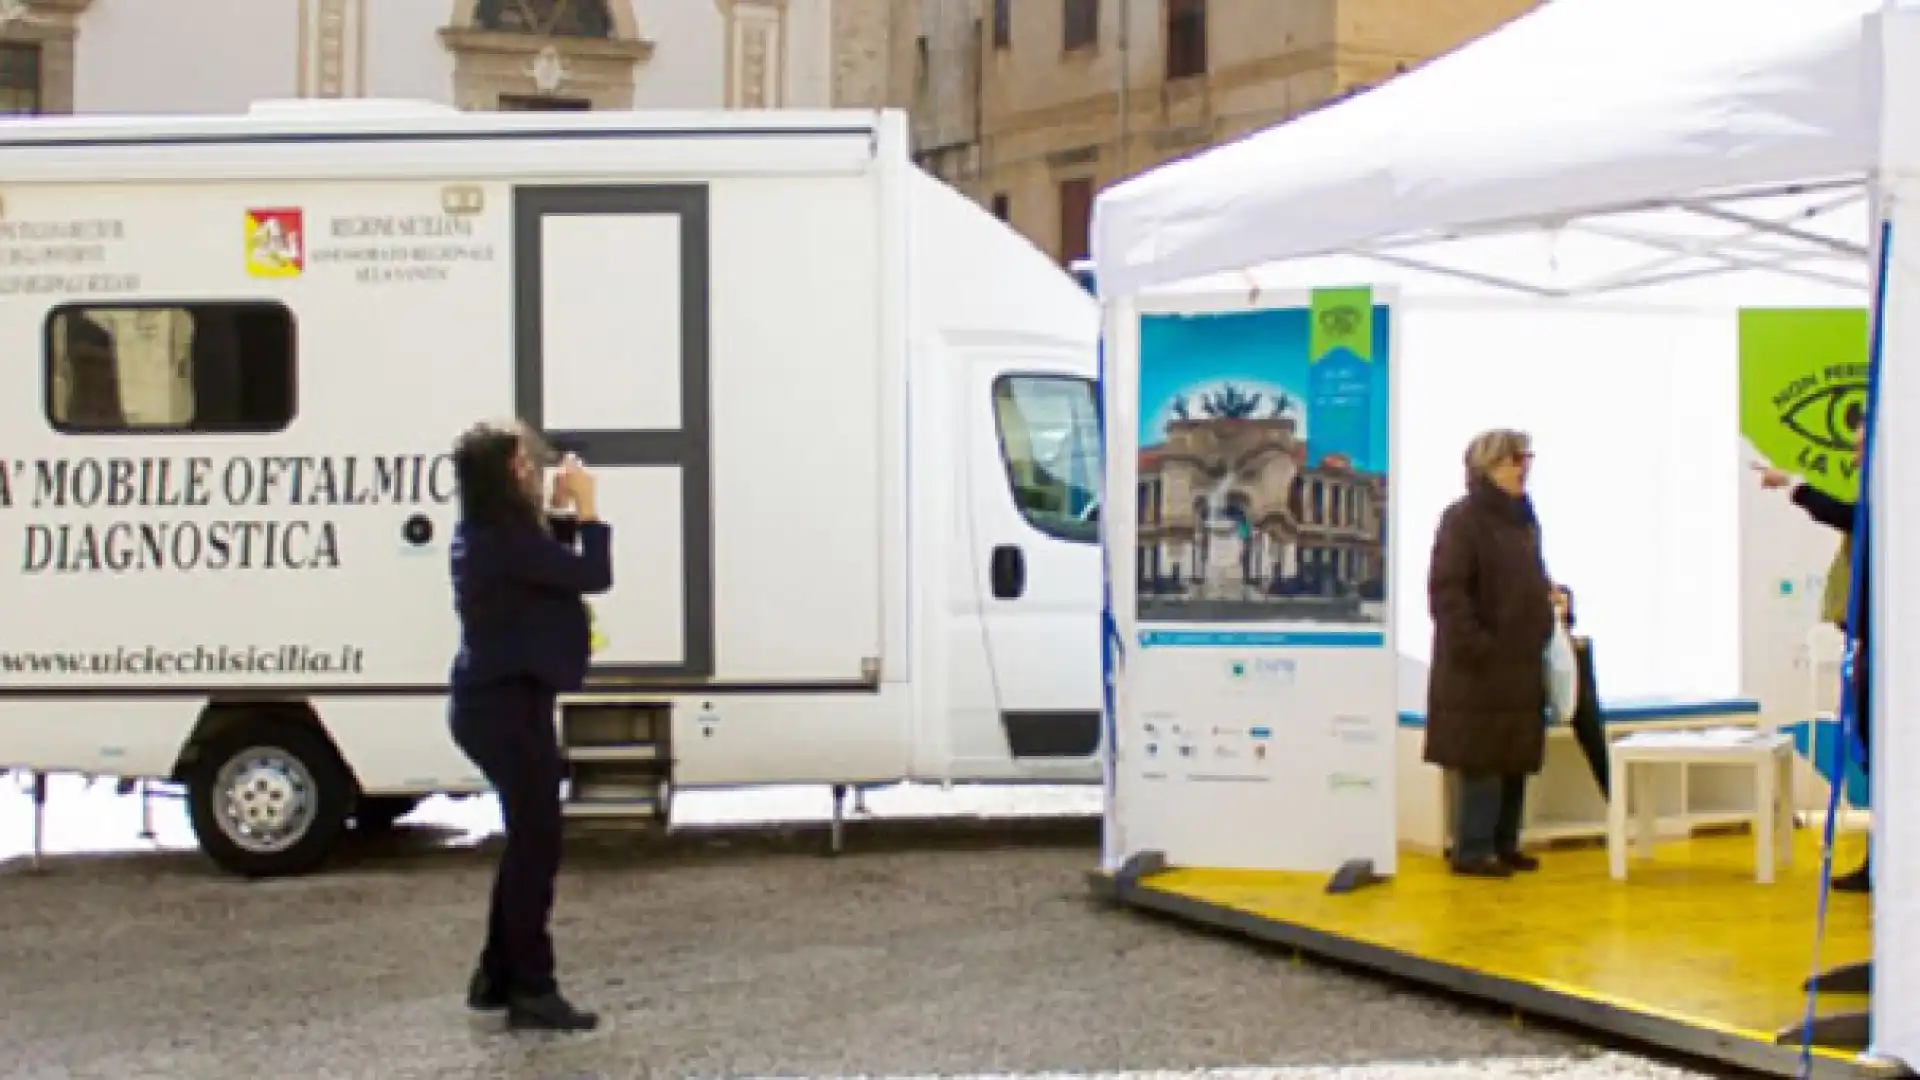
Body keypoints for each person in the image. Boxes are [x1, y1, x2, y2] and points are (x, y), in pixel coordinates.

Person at [448, 419, 614, 1030]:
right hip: (504, 708)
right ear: (508, 471)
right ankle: (532, 989)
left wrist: (564, 518)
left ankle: (497, 976)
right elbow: (590, 574)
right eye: (526, 461)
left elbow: (549, 569)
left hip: (501, 703)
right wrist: (591, 513)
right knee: (536, 846)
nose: (536, 467)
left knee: (528, 841)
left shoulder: (497, 532)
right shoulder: (502, 539)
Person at [1425, 428, 1563, 879]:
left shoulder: (1524, 521)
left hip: (1519, 662)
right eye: (1514, 460)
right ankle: (1473, 848)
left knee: (1514, 757)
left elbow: (1530, 580)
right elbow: (1448, 592)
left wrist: (1555, 602)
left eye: (1527, 458)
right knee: (1482, 759)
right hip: (1478, 668)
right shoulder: (1462, 520)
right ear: (1487, 467)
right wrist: (1478, 645)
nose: (1524, 468)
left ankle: (1506, 843)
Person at [1758, 454, 1871, 894]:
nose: (1855, 455)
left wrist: (1794, 485)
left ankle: (1879, 865)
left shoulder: (1888, 499)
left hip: (1878, 647)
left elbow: (1845, 515)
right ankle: (1876, 862)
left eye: (1864, 443)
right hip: (1866, 643)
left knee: (1879, 754)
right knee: (1869, 750)